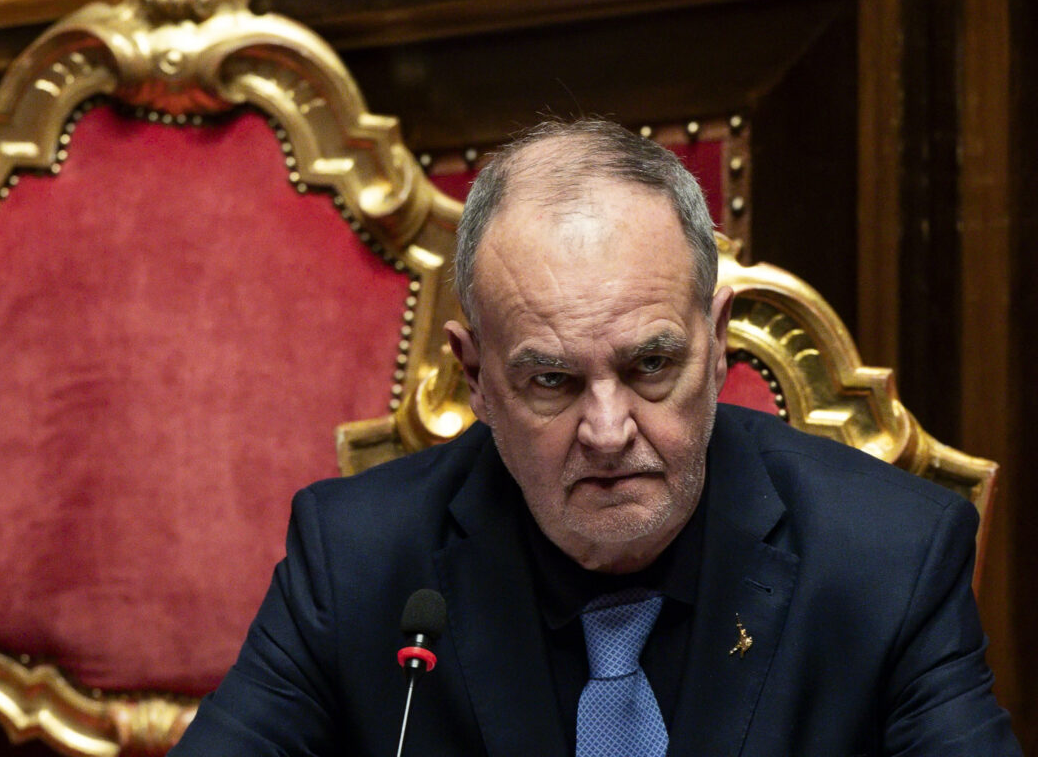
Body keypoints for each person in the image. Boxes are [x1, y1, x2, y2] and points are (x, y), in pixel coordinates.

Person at [170, 119, 1020, 755]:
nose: (609, 433)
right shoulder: (356, 562)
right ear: (475, 378)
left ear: (717, 340)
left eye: (651, 366)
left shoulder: (888, 560)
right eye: (552, 381)